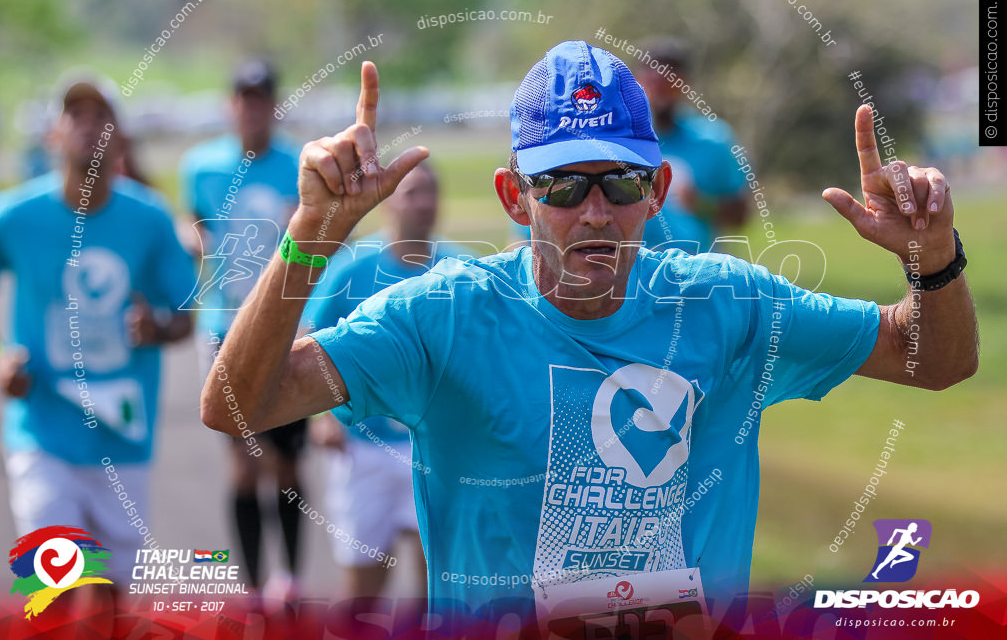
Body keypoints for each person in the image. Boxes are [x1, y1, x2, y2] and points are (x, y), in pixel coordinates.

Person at [200, 41, 977, 635]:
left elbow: (938, 360)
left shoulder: (729, 306)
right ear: (515, 197)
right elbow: (238, 402)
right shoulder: (441, 317)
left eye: (621, 182)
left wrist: (933, 262)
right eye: (564, 186)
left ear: (659, 192)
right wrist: (309, 236)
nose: (595, 211)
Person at [0, 76, 194, 591]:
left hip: (122, 435)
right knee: (50, 587)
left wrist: (156, 328)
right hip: (43, 430)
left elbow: (185, 316)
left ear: (120, 137)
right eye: (74, 115)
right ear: (52, 136)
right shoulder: (15, 216)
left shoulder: (148, 217)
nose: (88, 127)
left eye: (101, 116)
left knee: (113, 593)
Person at [304, 163, 470, 606]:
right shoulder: (350, 269)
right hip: (362, 446)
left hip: (433, 448)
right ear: (389, 201)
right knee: (362, 592)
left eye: (432, 192)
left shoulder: (462, 272)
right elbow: (311, 346)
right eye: (413, 192)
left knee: (434, 584)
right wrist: (322, 416)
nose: (424, 203)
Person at [179, 58, 305, 605]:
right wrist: (191, 243)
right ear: (233, 105)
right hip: (223, 329)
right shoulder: (200, 166)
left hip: (285, 327)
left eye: (261, 98)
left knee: (286, 462)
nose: (252, 108)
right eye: (243, 98)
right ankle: (253, 587)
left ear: (273, 105)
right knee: (243, 461)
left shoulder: (299, 163)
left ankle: (292, 579)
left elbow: (318, 238)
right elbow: (194, 225)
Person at [636, 37, 749, 253]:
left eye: (669, 80)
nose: (660, 87)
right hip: (631, 275)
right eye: (653, 79)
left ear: (684, 83)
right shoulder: (620, 141)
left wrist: (700, 203)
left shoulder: (714, 139)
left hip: (697, 274)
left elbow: (740, 215)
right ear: (637, 81)